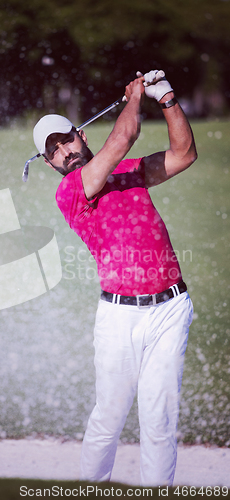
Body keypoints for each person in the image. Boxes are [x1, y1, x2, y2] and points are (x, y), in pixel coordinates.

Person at [32, 70, 197, 486]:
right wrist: (134, 97)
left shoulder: (130, 172)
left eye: (67, 139)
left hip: (170, 308)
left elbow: (184, 154)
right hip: (119, 318)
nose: (65, 151)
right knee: (109, 416)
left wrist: (168, 99)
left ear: (82, 135)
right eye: (54, 151)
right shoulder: (71, 191)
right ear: (49, 164)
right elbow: (122, 137)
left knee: (159, 418)